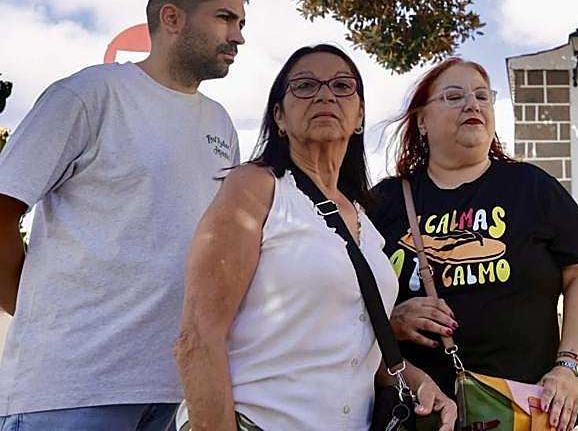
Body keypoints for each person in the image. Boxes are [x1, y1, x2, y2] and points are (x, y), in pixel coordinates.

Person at [0, 0, 249, 430]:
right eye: (224, 18)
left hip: (177, 392)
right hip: (70, 391)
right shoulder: (89, 94)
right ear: (171, 18)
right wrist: (29, 306)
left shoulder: (221, 124)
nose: (236, 37)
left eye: (240, 25)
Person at [173, 44, 455, 430]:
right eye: (305, 86)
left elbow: (352, 349)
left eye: (342, 86)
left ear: (359, 117)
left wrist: (416, 380)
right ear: (279, 117)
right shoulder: (257, 187)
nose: (325, 94)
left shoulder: (364, 222)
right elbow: (199, 335)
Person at [370, 57, 578, 431]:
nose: (472, 104)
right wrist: (390, 322)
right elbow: (347, 300)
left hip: (525, 409)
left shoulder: (531, 187)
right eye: (453, 96)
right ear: (422, 121)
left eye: (482, 95)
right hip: (421, 411)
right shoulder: (383, 203)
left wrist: (569, 367)